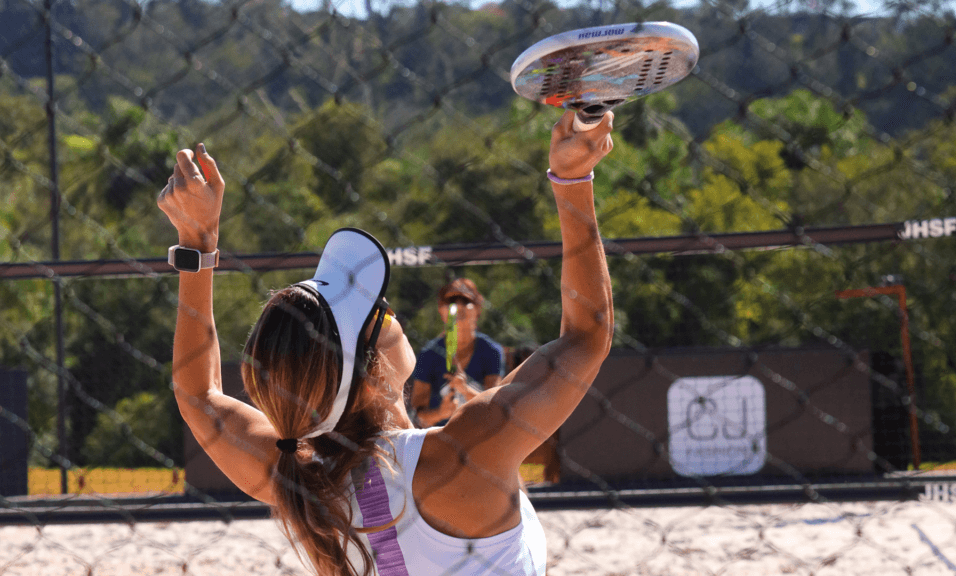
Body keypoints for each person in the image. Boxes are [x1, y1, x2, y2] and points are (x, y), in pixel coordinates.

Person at [157, 109, 614, 576]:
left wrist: (197, 242)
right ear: (373, 372)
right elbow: (588, 334)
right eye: (379, 310)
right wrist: (573, 180)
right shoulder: (467, 450)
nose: (389, 307)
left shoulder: (298, 481)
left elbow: (198, 395)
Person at [410, 278, 504, 427]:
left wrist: (465, 390)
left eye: (466, 301)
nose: (458, 306)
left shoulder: (490, 351)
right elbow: (417, 418)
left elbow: (494, 407)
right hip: (438, 438)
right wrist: (441, 413)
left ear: (478, 309)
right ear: (441, 310)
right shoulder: (428, 354)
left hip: (479, 436)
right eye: (451, 301)